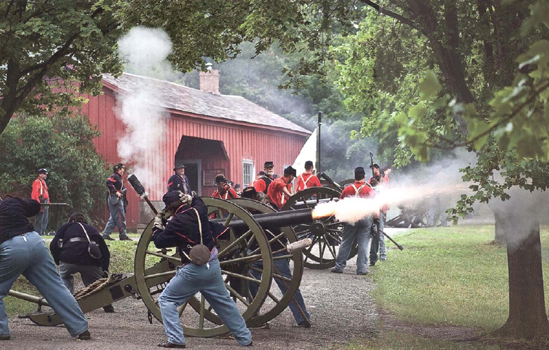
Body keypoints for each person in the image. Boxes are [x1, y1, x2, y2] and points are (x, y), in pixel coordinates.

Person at [152, 191, 252, 348]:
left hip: (192, 271)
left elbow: (159, 242)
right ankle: (245, 338)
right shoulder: (199, 210)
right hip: (212, 266)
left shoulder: (176, 222)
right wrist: (193, 197)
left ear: (170, 208)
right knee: (225, 304)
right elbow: (199, 201)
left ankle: (176, 339)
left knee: (166, 300)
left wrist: (157, 225)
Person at [0, 196, 90, 341]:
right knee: (56, 287)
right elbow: (35, 206)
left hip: (12, 248)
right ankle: (81, 328)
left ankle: (2, 331)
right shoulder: (11, 203)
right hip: (35, 243)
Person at [241, 187, 311, 328]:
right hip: (254, 253)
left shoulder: (269, 208)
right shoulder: (242, 212)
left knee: (288, 285)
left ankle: (302, 316)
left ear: (256, 198)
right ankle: (253, 316)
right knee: (252, 284)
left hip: (275, 252)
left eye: (252, 199)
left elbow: (281, 231)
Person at [50, 212, 114, 313]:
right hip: (90, 260)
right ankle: (106, 303)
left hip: (68, 259)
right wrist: (104, 269)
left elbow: (53, 245)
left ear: (71, 220)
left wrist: (58, 260)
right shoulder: (92, 229)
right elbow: (105, 252)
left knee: (65, 278)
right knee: (95, 284)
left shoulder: (66, 227)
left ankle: (66, 303)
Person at [331, 167, 376, 275]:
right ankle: (361, 269)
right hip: (365, 219)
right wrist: (376, 219)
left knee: (346, 242)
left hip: (351, 218)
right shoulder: (369, 190)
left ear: (354, 176)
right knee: (363, 244)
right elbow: (375, 206)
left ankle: (339, 266)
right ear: (364, 176)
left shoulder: (347, 189)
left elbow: (340, 205)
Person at [102, 163, 131, 241]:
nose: (123, 170)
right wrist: (116, 192)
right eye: (122, 169)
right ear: (119, 169)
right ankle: (123, 235)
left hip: (115, 199)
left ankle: (105, 235)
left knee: (113, 219)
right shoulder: (115, 176)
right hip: (115, 199)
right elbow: (108, 182)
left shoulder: (118, 177)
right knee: (120, 217)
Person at [368, 163, 386, 266]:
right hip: (372, 208)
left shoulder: (382, 178)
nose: (373, 170)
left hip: (380, 209)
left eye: (374, 168)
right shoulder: (371, 180)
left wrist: (377, 184)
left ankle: (383, 255)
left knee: (380, 234)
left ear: (377, 169)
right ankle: (373, 258)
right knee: (374, 234)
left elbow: (384, 191)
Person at [31, 168, 49, 235]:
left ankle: (43, 231)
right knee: (40, 218)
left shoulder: (43, 182)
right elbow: (35, 194)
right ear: (40, 174)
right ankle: (38, 232)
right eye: (44, 174)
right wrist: (37, 203)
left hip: (45, 201)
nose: (45, 175)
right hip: (40, 201)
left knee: (45, 218)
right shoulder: (37, 182)